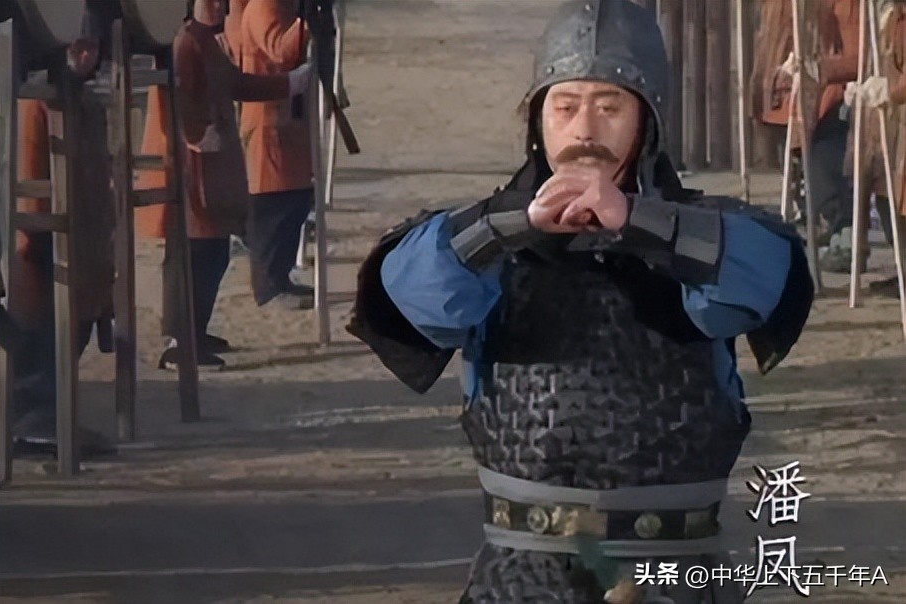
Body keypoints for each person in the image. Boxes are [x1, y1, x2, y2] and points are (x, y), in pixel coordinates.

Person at [348, 1, 814, 602]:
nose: (585, 129)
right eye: (565, 106)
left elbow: (760, 280)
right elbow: (413, 293)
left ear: (648, 120)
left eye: (610, 106)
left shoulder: (713, 238)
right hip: (519, 581)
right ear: (537, 120)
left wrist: (641, 223)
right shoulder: (482, 247)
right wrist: (509, 225)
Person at [136, 0, 310, 370]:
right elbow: (176, 97)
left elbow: (235, 83)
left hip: (208, 166)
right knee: (195, 255)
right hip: (190, 169)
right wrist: (196, 133)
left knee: (210, 252)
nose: (218, 6)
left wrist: (289, 83)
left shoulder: (204, 41)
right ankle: (181, 342)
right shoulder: (185, 42)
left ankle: (193, 333)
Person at [10, 9, 116, 457]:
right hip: (44, 240)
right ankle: (34, 423)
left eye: (91, 46)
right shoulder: (39, 101)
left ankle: (50, 417)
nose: (85, 55)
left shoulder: (81, 99)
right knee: (40, 338)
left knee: (70, 333)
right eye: (78, 45)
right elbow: (30, 171)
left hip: (81, 236)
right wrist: (31, 239)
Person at [749, 0, 860, 271]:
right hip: (787, 98)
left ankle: (843, 233)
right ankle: (814, 218)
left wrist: (819, 68)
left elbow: (858, 53)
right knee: (799, 166)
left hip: (829, 99)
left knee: (826, 166)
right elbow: (771, 40)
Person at [239, 0, 315, 308]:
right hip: (268, 121)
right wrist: (308, 21)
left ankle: (280, 278)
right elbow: (282, 51)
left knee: (295, 200)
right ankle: (269, 287)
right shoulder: (264, 6)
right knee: (274, 207)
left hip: (287, 122)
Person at [846, 0, 905, 296]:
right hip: (885, 123)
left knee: (897, 196)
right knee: (886, 195)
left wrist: (891, 92)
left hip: (898, 118)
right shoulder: (888, 15)